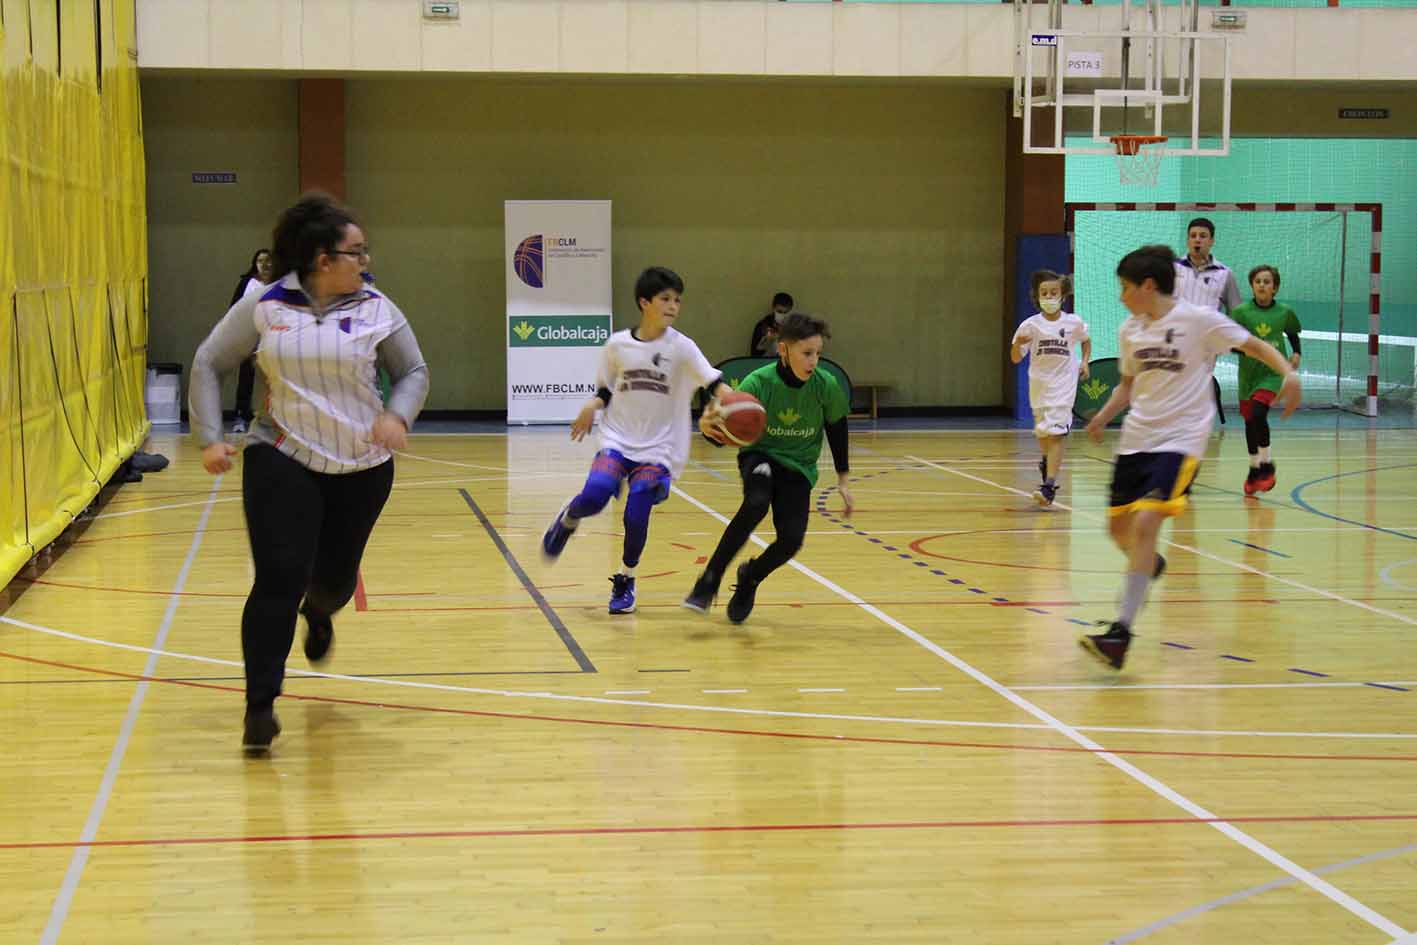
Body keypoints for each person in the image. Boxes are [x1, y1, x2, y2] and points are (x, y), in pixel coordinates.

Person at [190, 193, 430, 753]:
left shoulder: (378, 308)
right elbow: (208, 362)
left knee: (333, 582)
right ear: (322, 258)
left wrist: (398, 413)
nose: (365, 261)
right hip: (282, 452)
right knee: (278, 576)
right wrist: (208, 438)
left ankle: (319, 614)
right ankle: (259, 706)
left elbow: (412, 370)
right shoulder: (265, 305)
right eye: (356, 252)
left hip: (361, 463)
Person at [1080, 245, 1299, 671]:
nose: (1121, 295)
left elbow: (1253, 345)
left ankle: (1120, 634)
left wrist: (1288, 374)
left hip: (1181, 440)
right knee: (1118, 529)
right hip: (1136, 438)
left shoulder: (1198, 321)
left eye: (1125, 287)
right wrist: (1103, 416)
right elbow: (1128, 385)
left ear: (1148, 285)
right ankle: (1149, 565)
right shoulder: (1130, 329)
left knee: (1147, 523)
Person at [541, 266, 730, 615]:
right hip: (618, 438)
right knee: (596, 495)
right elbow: (605, 390)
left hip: (660, 448)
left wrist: (734, 405)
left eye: (677, 300)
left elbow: (715, 383)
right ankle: (569, 518)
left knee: (637, 507)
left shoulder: (683, 347)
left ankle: (626, 578)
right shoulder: (617, 345)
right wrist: (590, 406)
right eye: (665, 299)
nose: (673, 306)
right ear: (645, 302)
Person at [684, 311, 852, 623]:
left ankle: (750, 577)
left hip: (799, 467)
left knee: (791, 540)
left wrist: (843, 477)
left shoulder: (825, 385)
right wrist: (710, 430)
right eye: (807, 353)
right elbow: (729, 432)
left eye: (818, 354)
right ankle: (709, 580)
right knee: (756, 503)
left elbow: (837, 425)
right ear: (783, 349)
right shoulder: (758, 383)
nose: (814, 361)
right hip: (760, 456)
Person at [1010, 270, 1090, 507]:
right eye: (1044, 293)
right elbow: (1015, 358)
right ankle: (1047, 463)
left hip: (1064, 385)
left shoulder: (1073, 322)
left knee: (1056, 433)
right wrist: (1017, 344)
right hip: (1039, 386)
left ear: (1062, 295)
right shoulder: (1030, 326)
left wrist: (1084, 361)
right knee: (1045, 435)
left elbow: (1085, 340)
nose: (1049, 296)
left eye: (1053, 292)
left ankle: (1049, 486)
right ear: (1037, 296)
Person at [1229, 264, 1301, 495]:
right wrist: (1245, 351)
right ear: (1252, 285)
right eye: (1258, 281)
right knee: (1250, 422)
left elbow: (1292, 333)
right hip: (1248, 374)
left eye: (1267, 281)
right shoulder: (1240, 313)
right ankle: (1253, 469)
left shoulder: (1284, 312)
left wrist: (1296, 352)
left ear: (1275, 288)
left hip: (1272, 374)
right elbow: (1230, 343)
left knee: (1260, 413)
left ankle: (1267, 464)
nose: (1262, 285)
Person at [227, 249, 276, 433]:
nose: (265, 264)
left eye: (268, 260)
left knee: (272, 377)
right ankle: (241, 414)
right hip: (250, 334)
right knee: (246, 375)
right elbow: (234, 309)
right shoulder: (248, 283)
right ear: (254, 264)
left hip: (272, 336)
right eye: (260, 260)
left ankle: (273, 415)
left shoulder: (279, 285)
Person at [748, 291, 794, 357]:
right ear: (773, 308)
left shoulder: (794, 327)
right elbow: (754, 353)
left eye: (786, 312)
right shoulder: (763, 326)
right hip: (765, 363)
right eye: (779, 312)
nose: (783, 315)